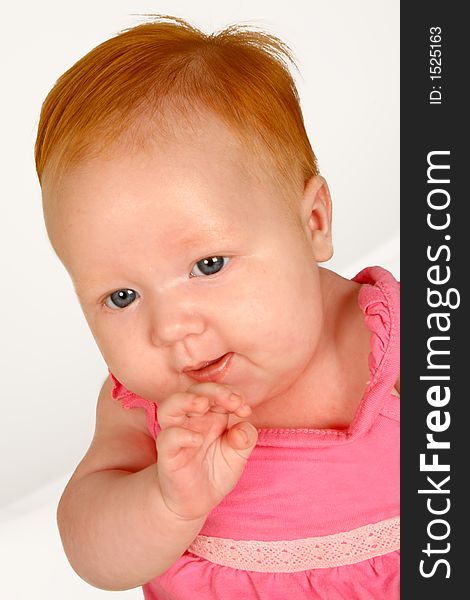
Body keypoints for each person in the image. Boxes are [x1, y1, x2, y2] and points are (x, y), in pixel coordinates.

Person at [35, 15, 400, 599]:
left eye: (208, 265)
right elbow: (92, 553)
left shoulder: (400, 340)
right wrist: (165, 500)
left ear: (313, 224)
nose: (171, 327)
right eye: (122, 296)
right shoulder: (142, 412)